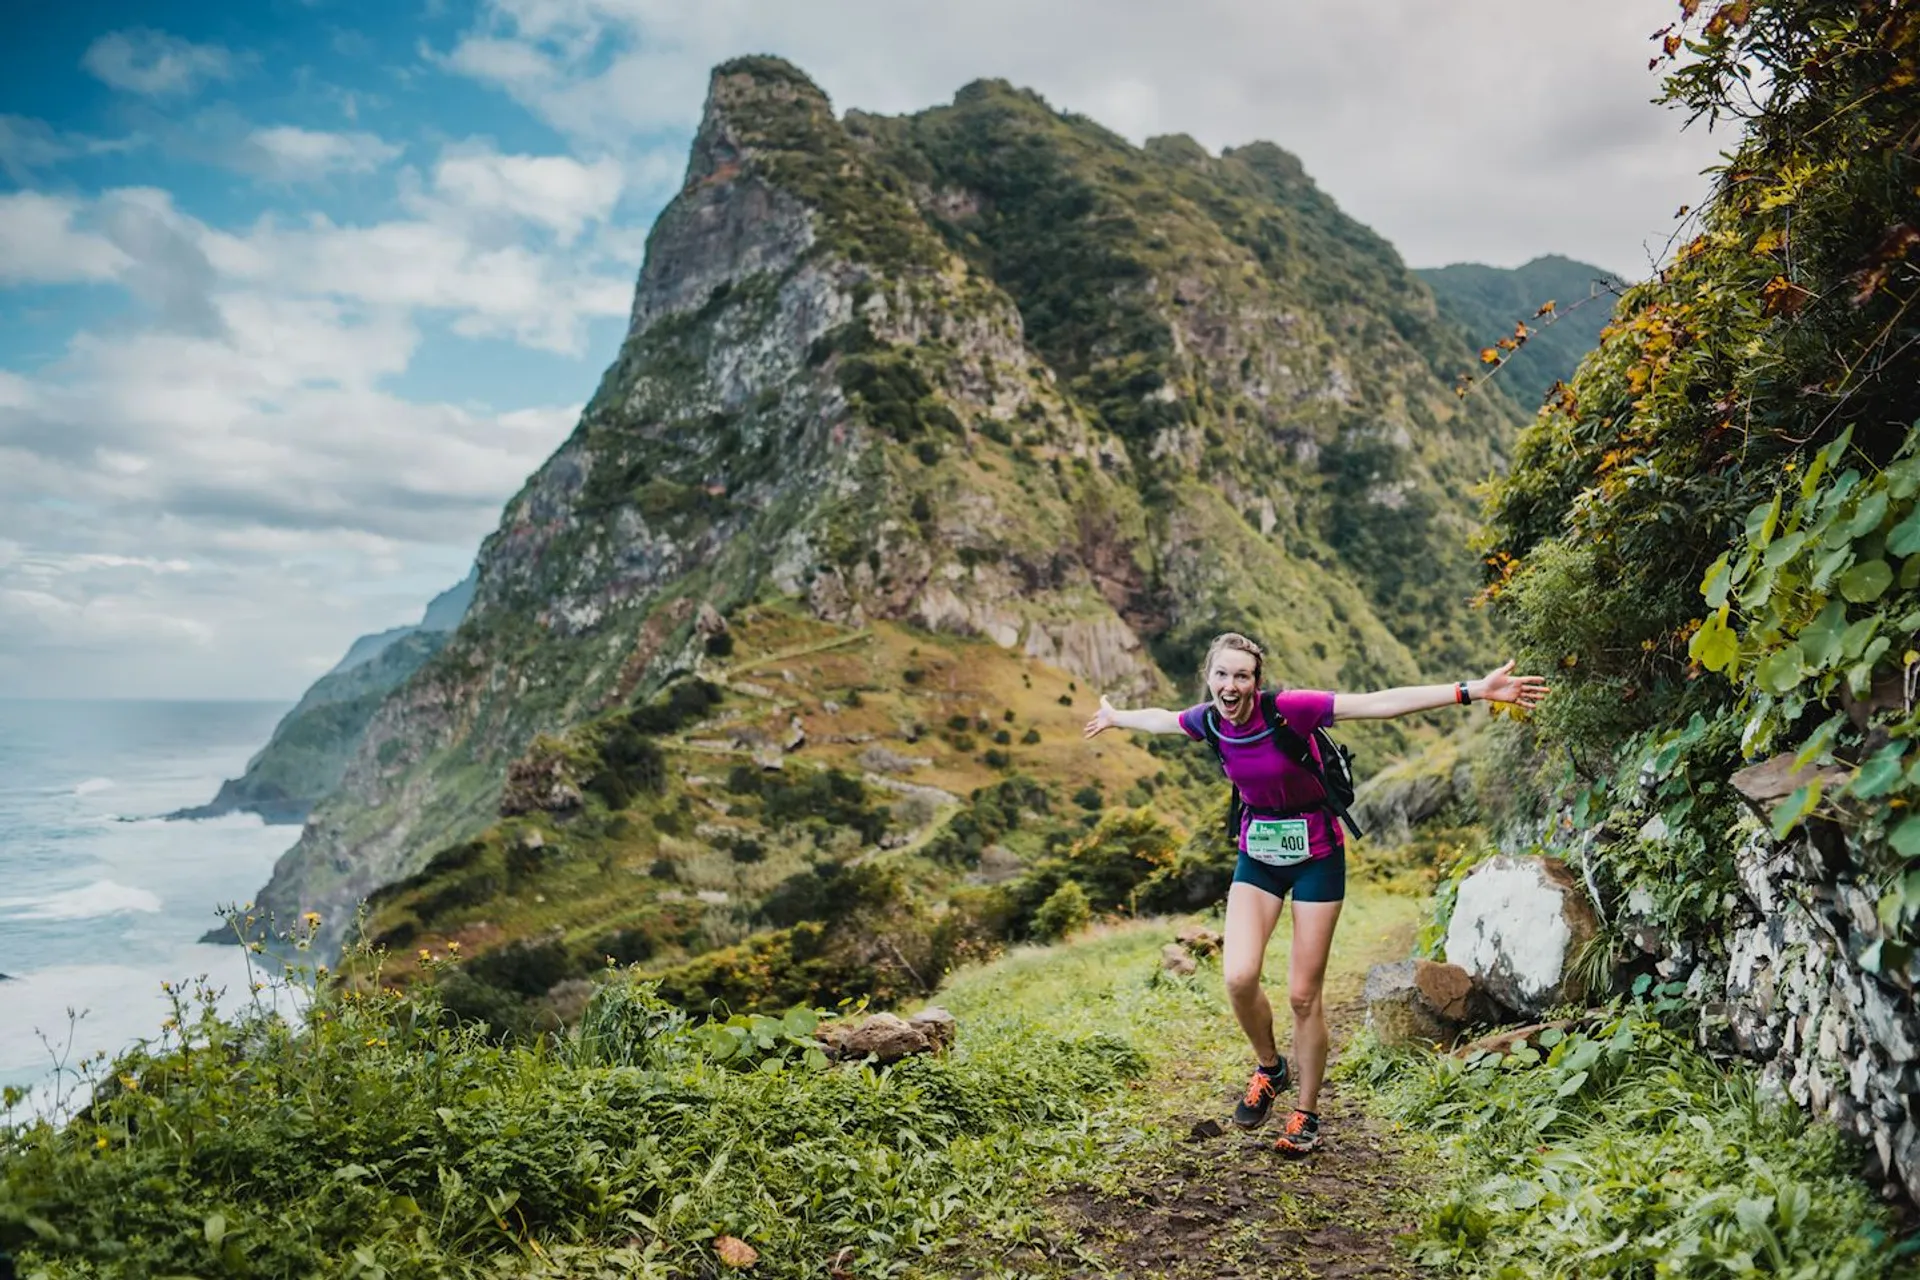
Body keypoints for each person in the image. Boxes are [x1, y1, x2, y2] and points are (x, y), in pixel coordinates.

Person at [1081, 632, 1547, 1155]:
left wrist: (1472, 691)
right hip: (1257, 857)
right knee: (1237, 978)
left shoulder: (1290, 711)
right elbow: (1164, 719)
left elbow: (1380, 704)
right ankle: (1269, 1068)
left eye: (1242, 676)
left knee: (1304, 996)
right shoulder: (1209, 720)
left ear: (1256, 683)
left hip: (1316, 860)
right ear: (1208, 679)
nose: (1230, 685)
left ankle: (1306, 1114)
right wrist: (1118, 717)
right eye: (1221, 675)